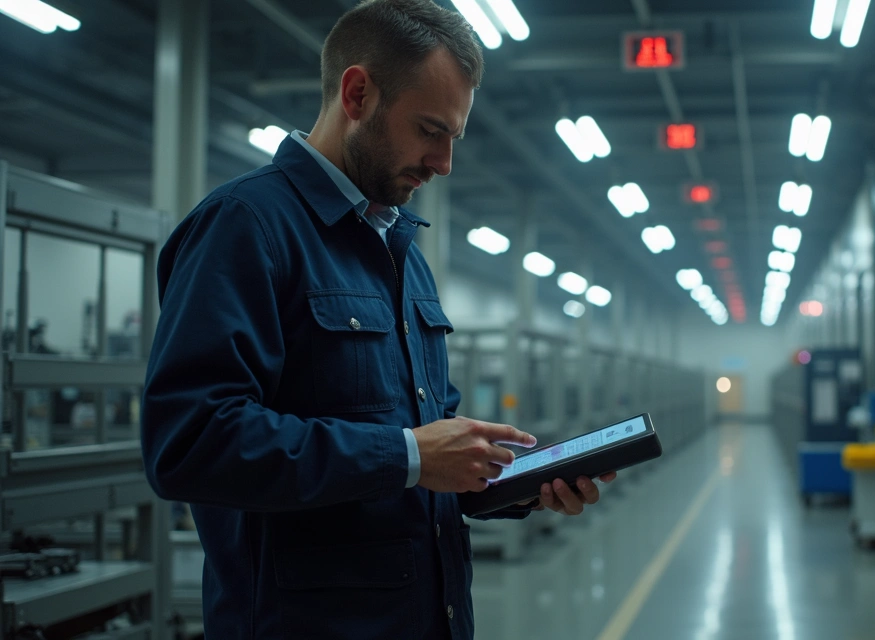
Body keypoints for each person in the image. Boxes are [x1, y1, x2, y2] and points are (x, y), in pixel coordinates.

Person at [140, 2, 614, 638]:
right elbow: (190, 443)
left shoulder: (401, 254)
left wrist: (518, 480)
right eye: (429, 130)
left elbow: (432, 454)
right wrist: (407, 455)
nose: (444, 162)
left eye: (453, 137)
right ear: (357, 93)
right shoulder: (246, 227)